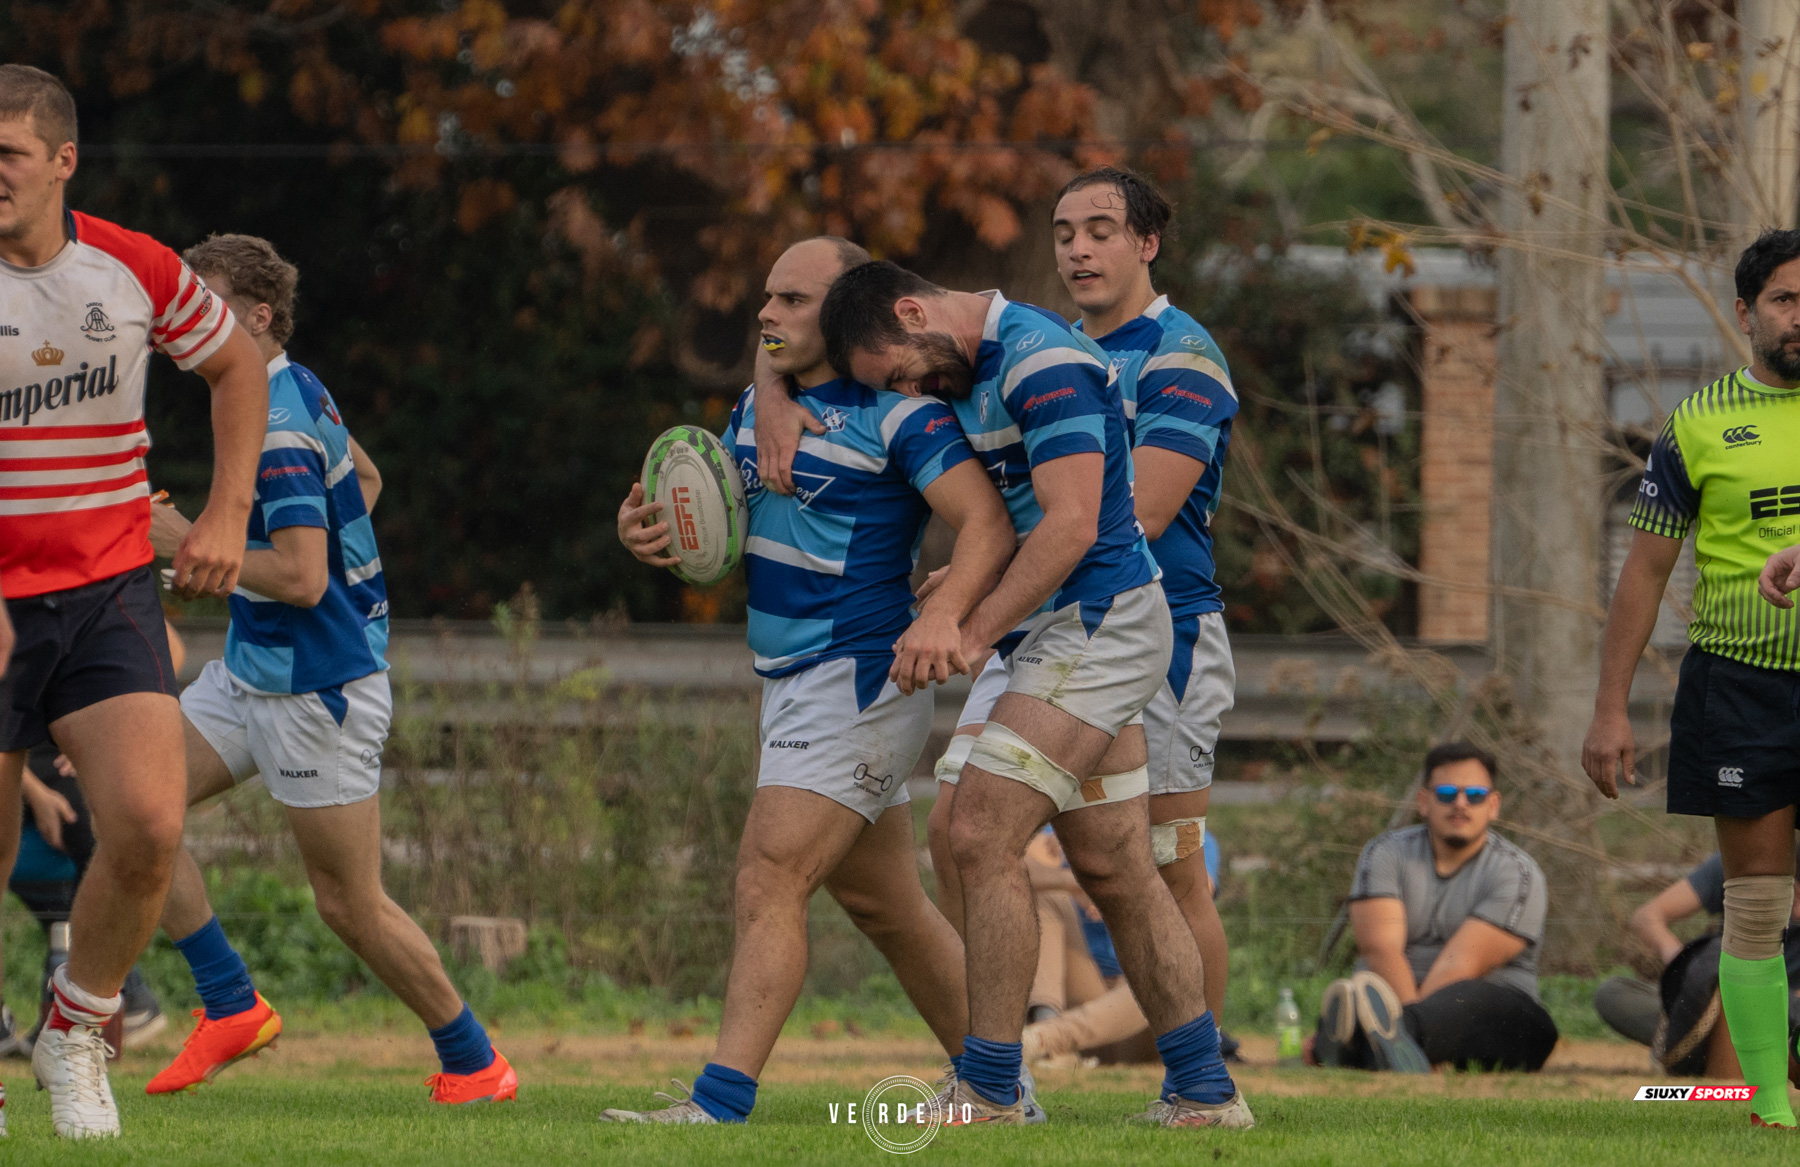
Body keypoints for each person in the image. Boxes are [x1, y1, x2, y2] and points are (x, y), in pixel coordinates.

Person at [818, 261, 1251, 1129]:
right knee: (1115, 864)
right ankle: (1205, 1091)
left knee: (979, 831)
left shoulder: (1038, 358)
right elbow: (1024, 516)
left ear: (915, 310)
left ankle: (991, 1087)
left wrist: (967, 631)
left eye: (902, 373)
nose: (914, 391)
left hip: (1099, 627)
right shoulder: (979, 367)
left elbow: (1074, 523)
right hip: (1055, 632)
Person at [601, 236, 1016, 1125]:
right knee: (886, 904)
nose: (766, 315)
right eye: (767, 297)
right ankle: (998, 1088)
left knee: (767, 876)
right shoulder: (760, 404)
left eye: (790, 301)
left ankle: (719, 1103)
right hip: (789, 679)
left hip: (860, 677)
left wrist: (945, 617)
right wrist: (651, 530)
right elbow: (707, 509)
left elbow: (985, 522)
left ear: (838, 312)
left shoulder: (902, 415)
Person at [141, 233, 516, 1104]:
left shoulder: (274, 426)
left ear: (257, 315)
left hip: (318, 692)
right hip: (251, 669)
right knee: (131, 810)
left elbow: (305, 579)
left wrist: (189, 542)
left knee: (348, 904)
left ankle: (475, 1060)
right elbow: (369, 484)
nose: (180, 320)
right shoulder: (294, 385)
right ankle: (230, 1002)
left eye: (202, 302)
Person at [0, 65, 268, 1139]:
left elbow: (238, 367)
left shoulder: (133, 269)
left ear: (63, 161)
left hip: (105, 586)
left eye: (9, 156)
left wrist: (226, 516)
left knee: (151, 825)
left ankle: (75, 1031)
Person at [1584, 228, 1800, 1130]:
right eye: (1787, 300)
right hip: (1739, 686)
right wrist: (1609, 710)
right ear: (1747, 314)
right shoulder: (1697, 421)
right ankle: (1765, 1105)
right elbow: (1644, 571)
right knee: (1754, 906)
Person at [1313, 742, 1557, 1073]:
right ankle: (1385, 1044)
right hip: (1391, 999)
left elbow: (1461, 964)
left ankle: (1358, 1045)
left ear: (1493, 805)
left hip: (1487, 1005)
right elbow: (1381, 951)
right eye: (1446, 793)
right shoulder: (1385, 854)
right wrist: (1414, 1032)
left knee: (1474, 999)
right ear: (1424, 801)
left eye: (1474, 795)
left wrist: (1411, 1030)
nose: (1460, 803)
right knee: (1371, 985)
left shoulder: (1517, 872)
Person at [1594, 849, 1800, 1077]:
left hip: (1781, 1012)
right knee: (1614, 992)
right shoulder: (1740, 856)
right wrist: (1689, 968)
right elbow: (1648, 916)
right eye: (1792, 894)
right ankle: (1707, 1051)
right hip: (1710, 997)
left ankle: (1720, 1059)